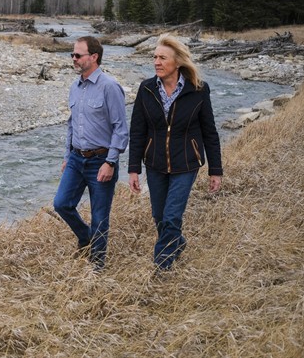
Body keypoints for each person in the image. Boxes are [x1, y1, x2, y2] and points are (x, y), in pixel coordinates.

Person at [128, 34, 223, 271]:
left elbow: (210, 131)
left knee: (171, 217)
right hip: (155, 163)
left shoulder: (198, 90)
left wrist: (215, 170)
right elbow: (137, 130)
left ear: (177, 62)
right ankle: (177, 242)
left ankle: (161, 267)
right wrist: (133, 169)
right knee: (159, 217)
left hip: (186, 163)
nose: (156, 62)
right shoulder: (146, 89)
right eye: (155, 57)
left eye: (162, 58)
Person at [53, 36, 129, 271]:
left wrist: (111, 161)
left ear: (94, 57)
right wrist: (67, 156)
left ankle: (97, 267)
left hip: (101, 160)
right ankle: (85, 238)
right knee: (61, 204)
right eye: (72, 55)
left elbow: (121, 129)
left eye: (78, 55)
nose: (73, 59)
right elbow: (71, 124)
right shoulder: (74, 87)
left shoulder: (110, 86)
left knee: (99, 218)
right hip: (76, 158)